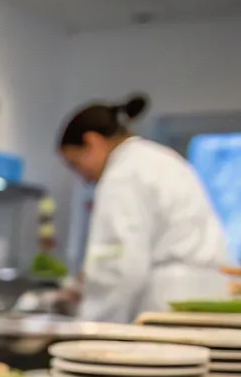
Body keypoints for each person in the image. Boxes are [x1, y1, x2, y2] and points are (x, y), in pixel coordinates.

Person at [58, 93, 231, 322]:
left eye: (75, 163)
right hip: (211, 294)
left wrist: (89, 328)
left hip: (167, 301)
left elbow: (118, 268)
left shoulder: (122, 174)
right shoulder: (162, 159)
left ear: (92, 142)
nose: (83, 178)